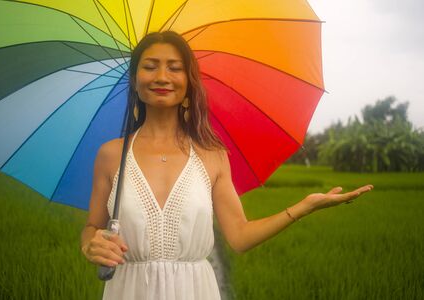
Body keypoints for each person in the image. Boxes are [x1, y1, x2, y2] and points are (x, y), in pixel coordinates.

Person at [80, 31, 373, 300]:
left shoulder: (212, 155)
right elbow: (92, 226)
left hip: (194, 290)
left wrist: (304, 206)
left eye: (174, 67)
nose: (161, 76)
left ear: (188, 80)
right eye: (150, 66)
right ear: (134, 78)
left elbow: (239, 236)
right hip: (129, 291)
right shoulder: (112, 155)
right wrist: (91, 243)